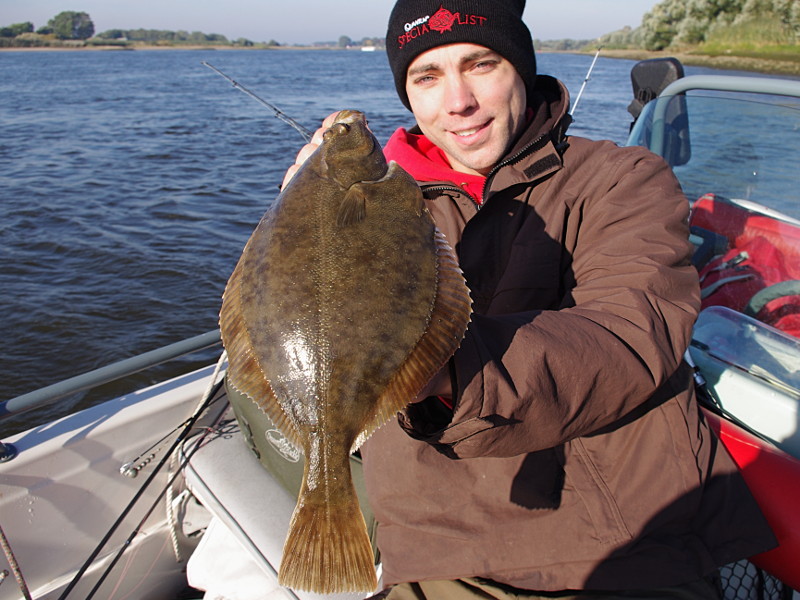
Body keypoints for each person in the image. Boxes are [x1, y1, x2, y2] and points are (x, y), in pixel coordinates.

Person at [282, 1, 776, 598]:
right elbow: (294, 311)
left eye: (481, 64)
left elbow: (628, 337)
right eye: (427, 77)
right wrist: (298, 221)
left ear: (522, 67)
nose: (458, 101)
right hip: (436, 552)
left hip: (618, 551)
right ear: (408, 95)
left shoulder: (622, 180)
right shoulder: (382, 204)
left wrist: (440, 370)